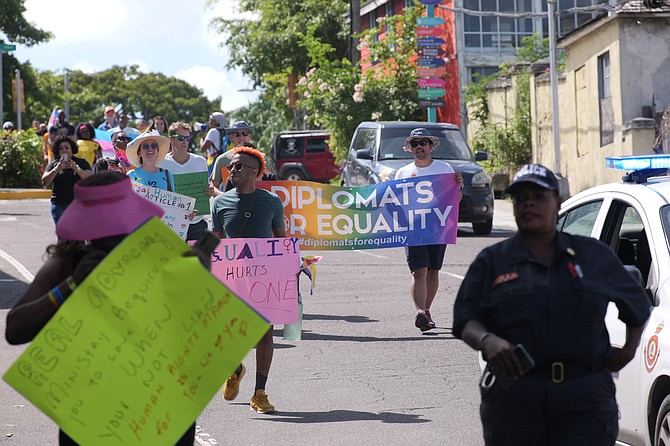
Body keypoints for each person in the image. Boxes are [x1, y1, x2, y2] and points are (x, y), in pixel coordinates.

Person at [452, 164, 651, 446]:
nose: (529, 203)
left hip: (584, 398)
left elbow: (636, 304)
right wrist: (487, 340)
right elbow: (465, 318)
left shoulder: (592, 256)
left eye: (539, 196)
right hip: (516, 397)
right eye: (521, 198)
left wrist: (628, 351)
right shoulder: (492, 261)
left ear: (557, 203)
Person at [5, 171, 201, 445]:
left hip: (159, 410)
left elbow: (204, 333)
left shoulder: (164, 258)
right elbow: (15, 329)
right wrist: (72, 285)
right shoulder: (67, 264)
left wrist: (200, 285)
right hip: (90, 413)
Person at [211, 146, 285, 414]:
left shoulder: (271, 202)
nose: (232, 170)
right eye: (232, 165)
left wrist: (290, 271)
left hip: (263, 278)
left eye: (239, 166)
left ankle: (260, 393)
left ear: (255, 173)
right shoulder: (219, 203)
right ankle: (235, 369)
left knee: (265, 333)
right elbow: (216, 243)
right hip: (231, 278)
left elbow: (281, 240)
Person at [394, 128, 463, 332]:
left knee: (433, 271)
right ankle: (420, 313)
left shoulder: (445, 168)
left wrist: (458, 187)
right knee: (419, 271)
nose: (419, 147)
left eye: (423, 143)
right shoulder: (403, 172)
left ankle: (427, 310)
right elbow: (394, 200)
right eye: (414, 144)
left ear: (431, 146)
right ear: (410, 148)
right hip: (414, 230)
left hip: (438, 228)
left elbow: (454, 201)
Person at [159, 121, 209, 241]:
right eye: (181, 138)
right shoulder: (161, 163)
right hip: (172, 223)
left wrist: (209, 190)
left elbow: (205, 187)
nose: (185, 141)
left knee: (198, 258)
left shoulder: (200, 161)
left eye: (187, 138)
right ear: (171, 139)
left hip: (197, 222)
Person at [41, 136, 93, 225]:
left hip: (78, 204)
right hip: (59, 204)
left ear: (72, 149)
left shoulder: (81, 162)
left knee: (78, 234)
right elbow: (45, 182)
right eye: (61, 149)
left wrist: (76, 169)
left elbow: (90, 179)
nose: (64, 150)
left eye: (66, 147)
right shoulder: (54, 164)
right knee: (63, 235)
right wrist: (57, 169)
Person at [209, 120, 254, 192]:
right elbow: (213, 186)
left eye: (245, 133)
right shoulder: (222, 159)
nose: (241, 137)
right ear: (231, 137)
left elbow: (272, 183)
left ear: (250, 135)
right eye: (237, 134)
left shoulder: (261, 158)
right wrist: (225, 198)